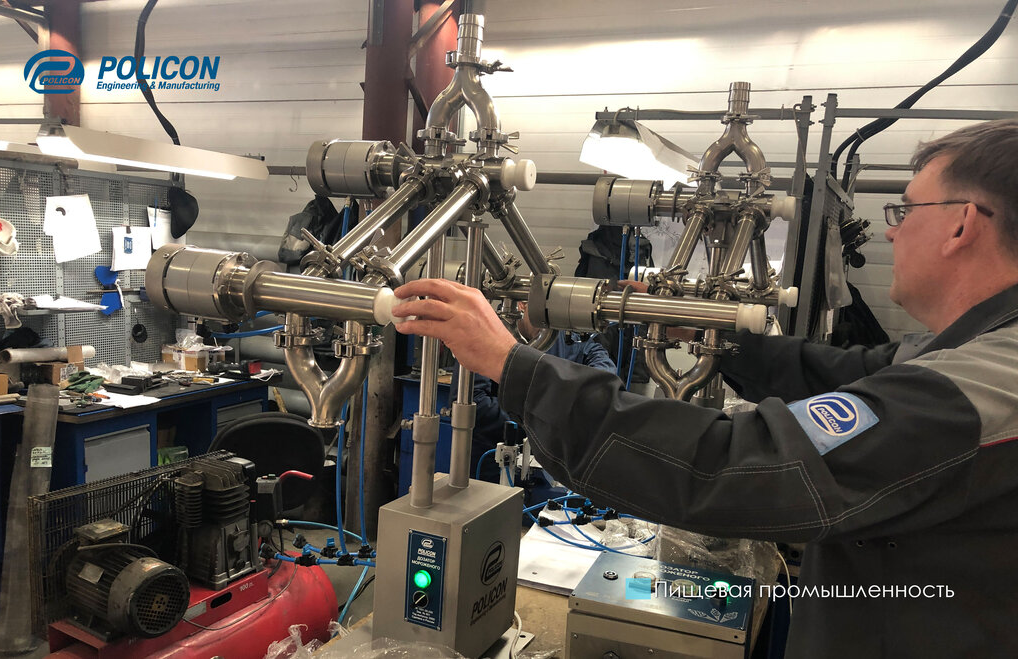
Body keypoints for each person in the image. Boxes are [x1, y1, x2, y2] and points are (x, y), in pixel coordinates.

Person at [391, 119, 1018, 658]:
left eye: (905, 210)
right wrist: (705, 328)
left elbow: (734, 464)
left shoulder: (981, 391)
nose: (891, 231)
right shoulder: (962, 352)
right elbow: (839, 373)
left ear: (961, 224)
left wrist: (511, 364)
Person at [452, 300, 615, 480]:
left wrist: (572, 398)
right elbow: (475, 403)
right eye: (544, 315)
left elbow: (603, 369)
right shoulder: (485, 334)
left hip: (542, 463)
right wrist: (539, 420)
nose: (549, 329)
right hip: (491, 460)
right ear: (522, 304)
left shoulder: (562, 336)